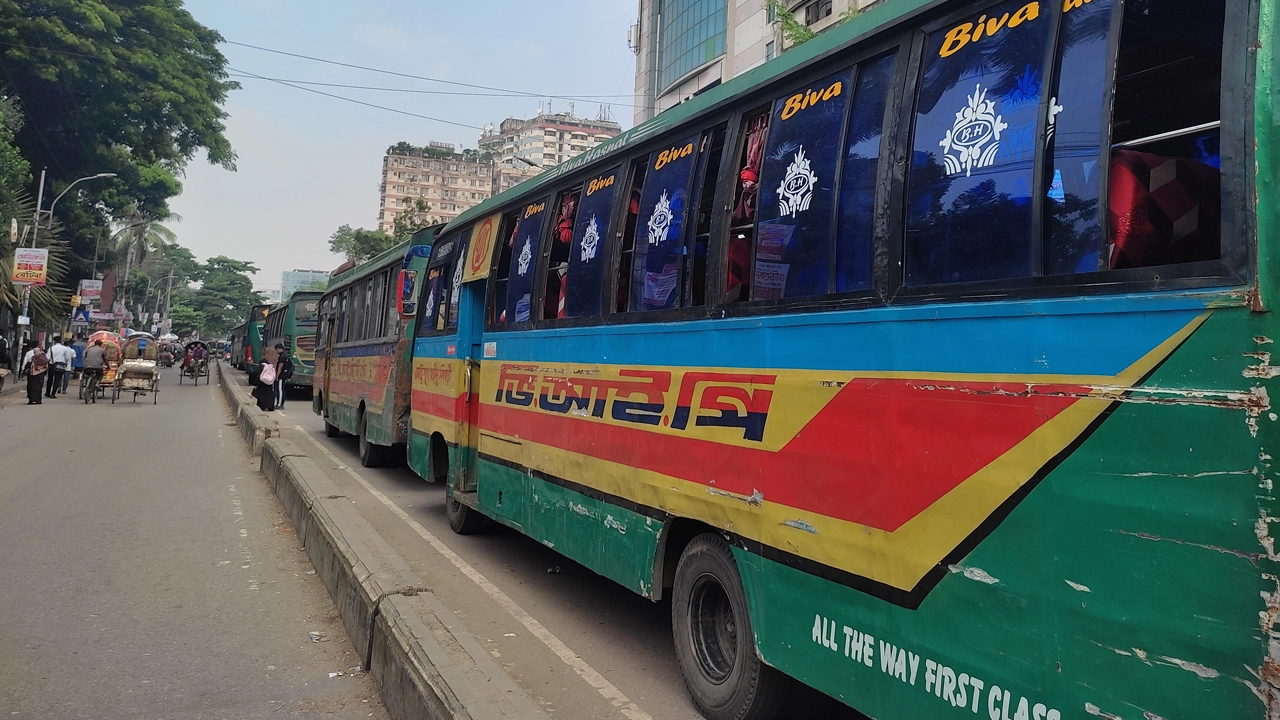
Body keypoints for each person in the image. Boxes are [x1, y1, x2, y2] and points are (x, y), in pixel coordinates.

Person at [273, 343, 294, 410]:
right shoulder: (285, 356)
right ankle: (280, 403)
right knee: (281, 389)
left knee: (280, 389)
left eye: (276, 350)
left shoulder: (282, 356)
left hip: (282, 376)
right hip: (284, 375)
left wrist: (277, 375)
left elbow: (280, 367)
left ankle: (279, 404)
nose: (276, 351)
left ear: (280, 349)